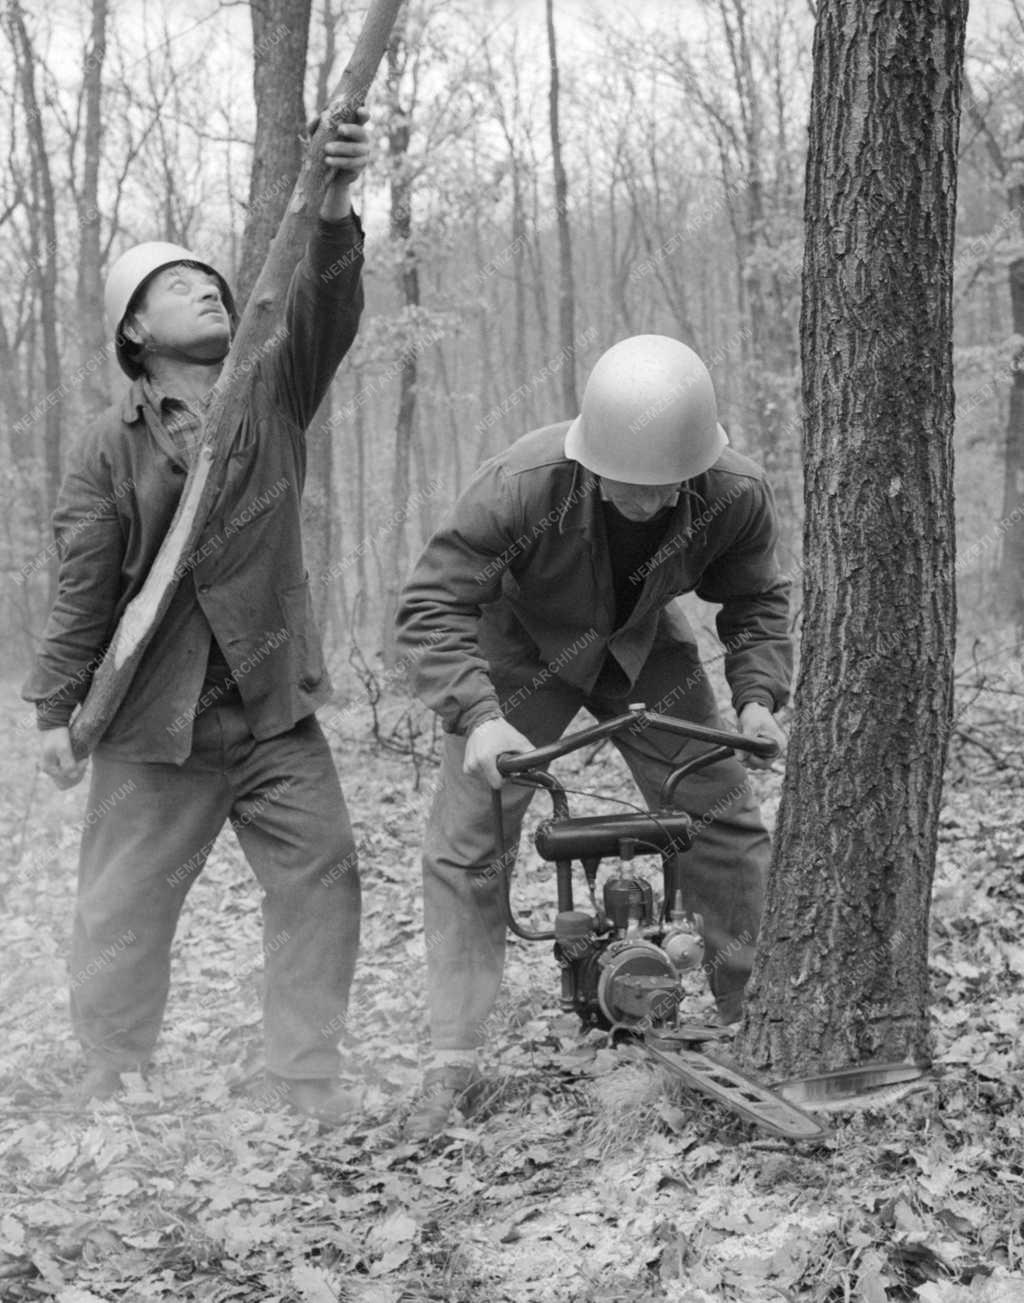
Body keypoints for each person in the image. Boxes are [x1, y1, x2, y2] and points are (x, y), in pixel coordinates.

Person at [22, 112, 371, 1123]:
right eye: (173, 285)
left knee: (323, 874)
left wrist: (336, 200)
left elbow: (326, 307)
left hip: (268, 707)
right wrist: (55, 705)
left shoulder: (271, 394)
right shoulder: (108, 445)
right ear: (133, 332)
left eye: (211, 280)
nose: (204, 287)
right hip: (150, 718)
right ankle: (114, 1071)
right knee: (122, 911)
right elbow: (84, 582)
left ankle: (305, 1078)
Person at [395, 334, 792, 1139]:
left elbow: (756, 602)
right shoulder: (521, 485)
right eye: (626, 486)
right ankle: (453, 1059)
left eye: (664, 488)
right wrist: (478, 715)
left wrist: (757, 698)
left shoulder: (735, 492)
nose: (646, 502)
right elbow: (430, 606)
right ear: (590, 456)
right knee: (469, 839)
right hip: (519, 654)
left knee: (723, 815)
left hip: (642, 644)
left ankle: (754, 1015)